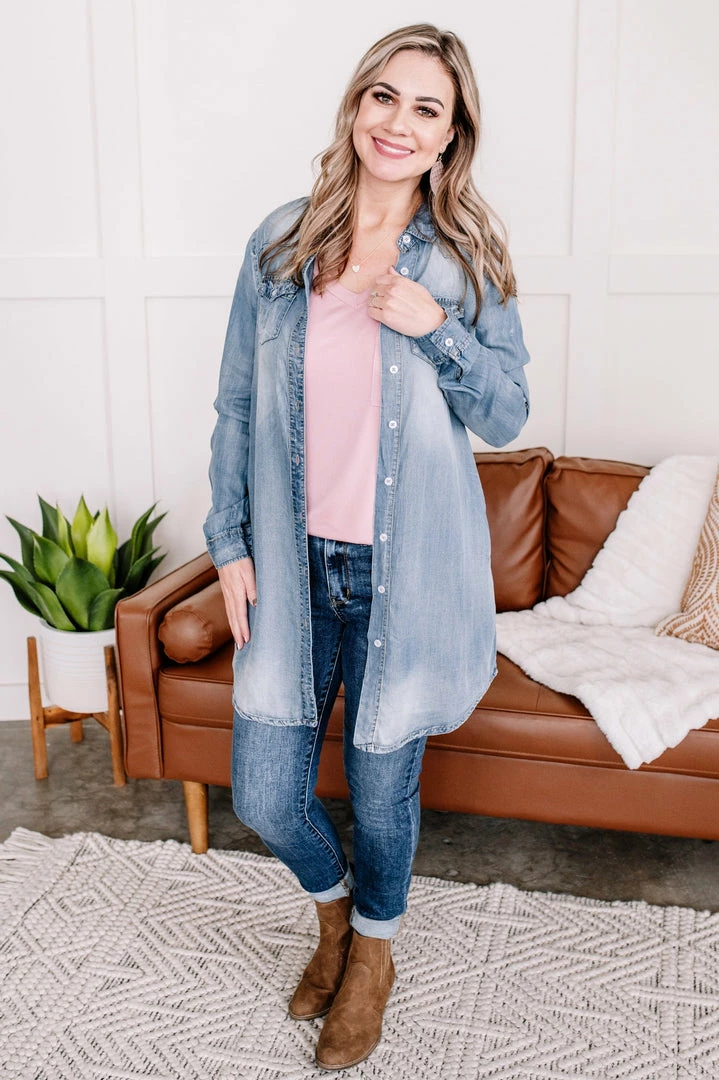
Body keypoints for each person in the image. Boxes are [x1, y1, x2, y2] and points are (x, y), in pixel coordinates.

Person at [203, 23, 531, 1071]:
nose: (397, 123)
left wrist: (436, 326)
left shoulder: (465, 262)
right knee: (265, 793)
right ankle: (335, 917)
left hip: (408, 574)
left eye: (425, 109)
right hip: (291, 567)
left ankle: (373, 959)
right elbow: (236, 405)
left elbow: (507, 412)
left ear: (450, 136)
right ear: (355, 105)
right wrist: (227, 541)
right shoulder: (281, 243)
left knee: (382, 791)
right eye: (383, 96)